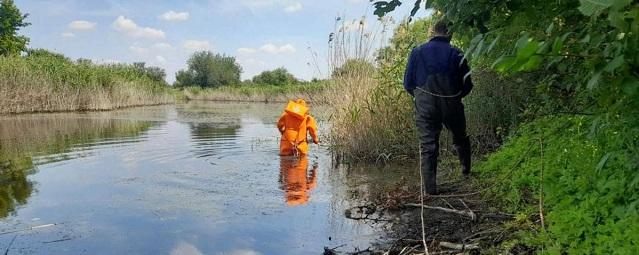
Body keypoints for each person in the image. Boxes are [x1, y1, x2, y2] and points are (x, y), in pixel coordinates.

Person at [403, 20, 474, 195]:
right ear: (450, 34)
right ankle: (466, 171)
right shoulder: (457, 53)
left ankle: (430, 190)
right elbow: (467, 85)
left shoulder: (417, 52)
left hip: (425, 104)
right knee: (460, 137)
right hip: (452, 102)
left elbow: (407, 83)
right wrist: (455, 97)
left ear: (433, 32)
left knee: (428, 146)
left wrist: (421, 98)